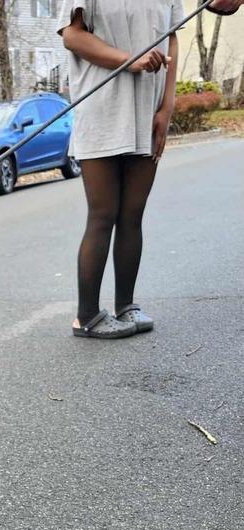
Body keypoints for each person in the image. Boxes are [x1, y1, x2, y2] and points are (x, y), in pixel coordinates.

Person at [58, 1, 184, 339]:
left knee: (132, 213)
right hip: (102, 110)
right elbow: (72, 36)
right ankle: (86, 317)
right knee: (103, 214)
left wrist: (167, 107)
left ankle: (126, 306)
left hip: (148, 109)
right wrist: (131, 61)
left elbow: (171, 39)